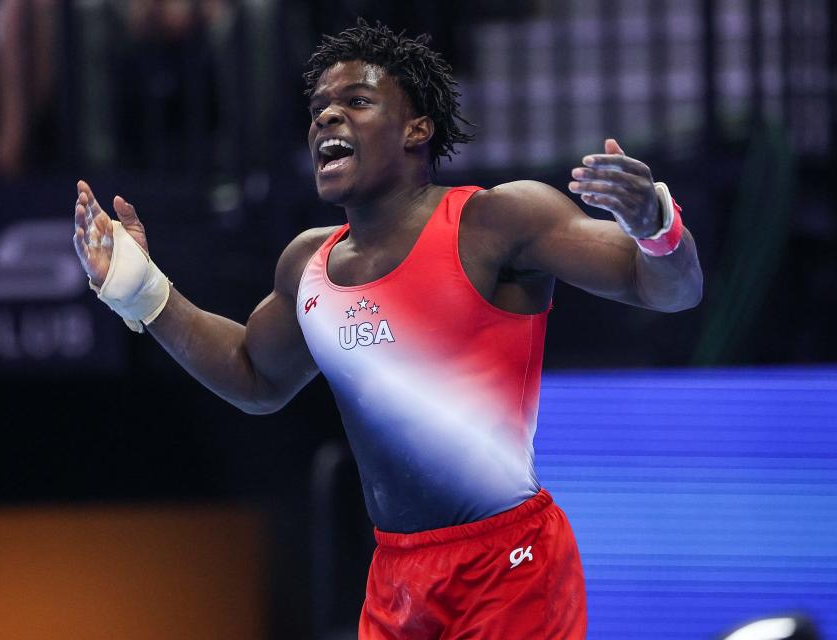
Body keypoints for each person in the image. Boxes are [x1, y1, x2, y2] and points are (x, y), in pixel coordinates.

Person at [72, 19, 702, 640]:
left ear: (416, 129)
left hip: (509, 566)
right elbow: (256, 377)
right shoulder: (308, 264)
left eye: (356, 100)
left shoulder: (495, 222)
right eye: (318, 107)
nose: (326, 117)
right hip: (397, 582)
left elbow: (667, 289)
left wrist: (654, 223)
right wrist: (145, 291)